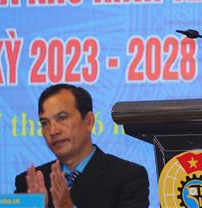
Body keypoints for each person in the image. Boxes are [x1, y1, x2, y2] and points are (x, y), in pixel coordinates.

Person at [14, 84, 149, 208]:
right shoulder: (30, 183)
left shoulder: (127, 177)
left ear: (88, 121)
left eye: (62, 118)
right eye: (44, 123)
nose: (53, 131)